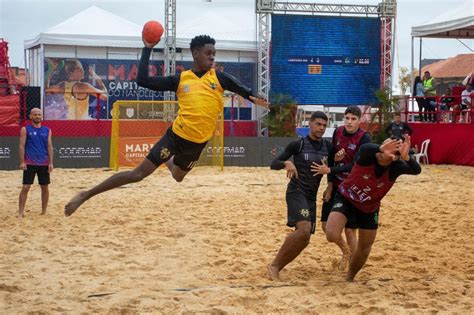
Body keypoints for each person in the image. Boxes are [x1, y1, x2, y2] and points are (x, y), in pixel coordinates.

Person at [64, 35, 269, 216]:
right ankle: (86, 194)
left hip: (197, 143)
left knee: (178, 176)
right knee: (137, 175)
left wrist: (256, 97)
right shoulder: (180, 79)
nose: (213, 57)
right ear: (195, 53)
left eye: (214, 54)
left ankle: (169, 162)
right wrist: (147, 48)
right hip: (176, 136)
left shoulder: (219, 78)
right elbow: (143, 80)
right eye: (208, 53)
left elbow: (245, 91)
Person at [326, 136, 421, 281]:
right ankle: (346, 251)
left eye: (392, 146)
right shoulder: (368, 155)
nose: (385, 146)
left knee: (364, 248)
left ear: (395, 157)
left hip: (369, 208)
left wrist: (407, 157)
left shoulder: (396, 167)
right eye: (385, 143)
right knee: (331, 234)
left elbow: (416, 170)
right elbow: (365, 148)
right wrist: (381, 148)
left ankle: (350, 277)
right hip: (347, 197)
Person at [267, 111, 334, 280]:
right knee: (303, 230)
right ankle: (274, 266)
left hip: (312, 196)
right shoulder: (298, 144)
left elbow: (332, 169)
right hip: (296, 191)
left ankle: (278, 265)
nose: (321, 128)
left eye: (324, 125)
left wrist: (330, 186)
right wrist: (286, 163)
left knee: (304, 239)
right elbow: (273, 164)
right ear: (309, 124)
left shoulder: (329, 147)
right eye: (318, 124)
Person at [311, 106, 371, 270]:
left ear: (360, 121)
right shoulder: (338, 133)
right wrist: (329, 184)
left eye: (353, 119)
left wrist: (331, 169)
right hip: (336, 185)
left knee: (350, 229)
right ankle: (346, 252)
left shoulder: (364, 138)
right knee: (325, 225)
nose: (349, 122)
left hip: (353, 189)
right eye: (347, 118)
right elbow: (332, 160)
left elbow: (356, 166)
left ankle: (355, 263)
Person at [18, 108, 53, 218]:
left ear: (42, 116)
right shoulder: (25, 129)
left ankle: (44, 211)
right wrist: (22, 161)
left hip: (43, 163)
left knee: (44, 187)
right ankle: (20, 212)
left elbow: (49, 146)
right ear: (30, 116)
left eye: (39, 114)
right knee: (25, 187)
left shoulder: (47, 130)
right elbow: (21, 146)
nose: (37, 116)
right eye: (35, 114)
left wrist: (51, 162)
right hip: (30, 163)